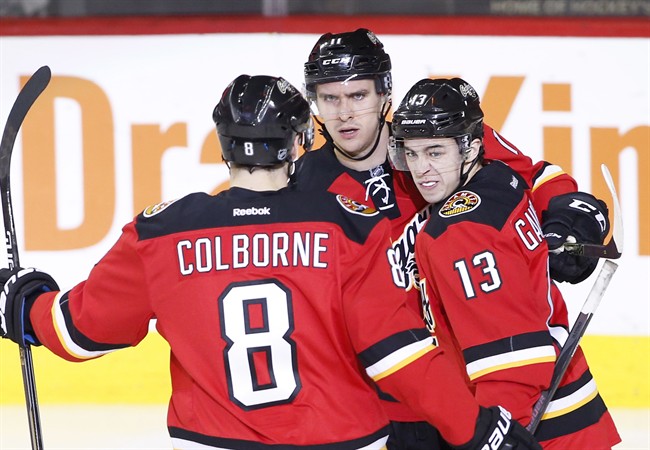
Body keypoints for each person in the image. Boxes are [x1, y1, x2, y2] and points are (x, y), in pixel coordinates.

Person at [0, 75, 542, 450]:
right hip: (342, 441)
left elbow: (78, 331)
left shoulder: (162, 231)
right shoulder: (350, 224)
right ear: (301, 140)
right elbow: (397, 354)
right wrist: (475, 427)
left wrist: (22, 304)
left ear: (222, 144)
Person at [297, 28, 612, 449]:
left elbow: (533, 178)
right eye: (330, 98)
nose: (344, 114)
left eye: (358, 96)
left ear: (384, 94)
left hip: (497, 382)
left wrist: (570, 219)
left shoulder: (435, 135)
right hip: (392, 404)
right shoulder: (304, 187)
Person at [390, 76, 621, 449]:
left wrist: (493, 436)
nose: (421, 169)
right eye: (411, 154)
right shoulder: (495, 176)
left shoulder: (459, 231)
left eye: (435, 152)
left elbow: (510, 363)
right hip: (563, 409)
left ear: (470, 149)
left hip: (526, 421)